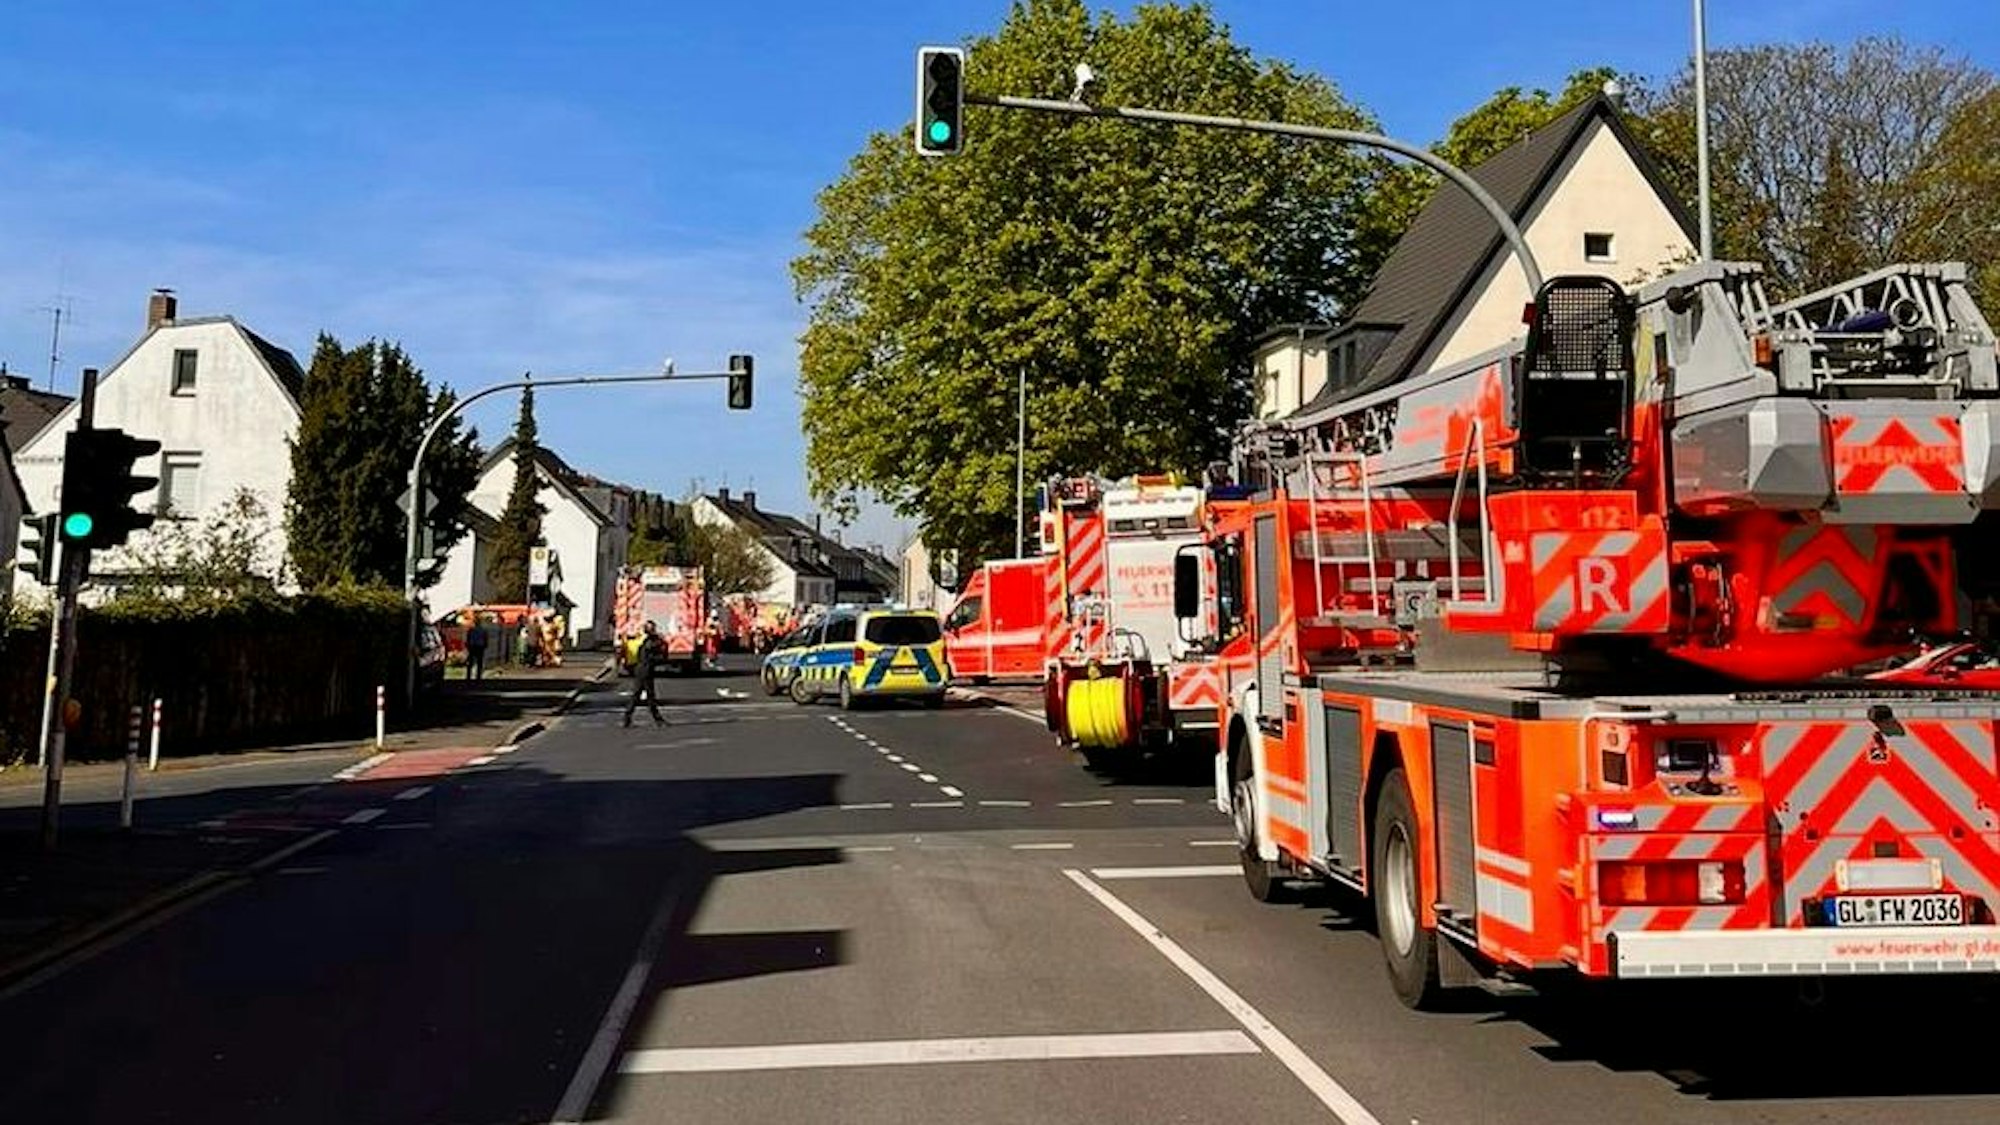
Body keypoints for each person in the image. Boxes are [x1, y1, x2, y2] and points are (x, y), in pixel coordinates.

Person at [623, 620, 667, 727]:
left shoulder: (643, 640)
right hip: (645, 670)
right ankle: (658, 720)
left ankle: (627, 718)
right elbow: (659, 654)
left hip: (640, 669)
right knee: (648, 695)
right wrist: (662, 642)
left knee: (638, 694)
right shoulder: (650, 642)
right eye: (653, 628)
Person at [464, 615, 489, 681]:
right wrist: (485, 645)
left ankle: (468, 676)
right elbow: (485, 638)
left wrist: (468, 645)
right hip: (479, 646)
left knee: (471, 662)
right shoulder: (483, 630)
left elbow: (468, 638)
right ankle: (478, 676)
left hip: (473, 646)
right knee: (479, 662)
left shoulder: (471, 630)